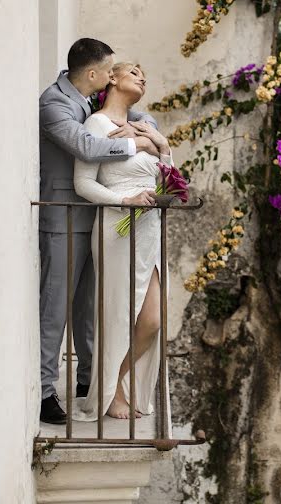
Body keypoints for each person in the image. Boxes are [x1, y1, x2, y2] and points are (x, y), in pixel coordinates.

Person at [39, 39, 160, 425]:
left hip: (105, 222)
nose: (114, 76)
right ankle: (44, 392)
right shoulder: (54, 104)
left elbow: (130, 116)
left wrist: (150, 132)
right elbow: (87, 147)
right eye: (111, 71)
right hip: (66, 217)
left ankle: (94, 382)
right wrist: (139, 141)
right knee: (55, 307)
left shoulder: (93, 103)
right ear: (94, 75)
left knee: (91, 311)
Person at [73, 62, 170, 420]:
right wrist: (124, 201)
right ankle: (110, 394)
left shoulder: (144, 125)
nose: (143, 76)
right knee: (118, 314)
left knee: (152, 319)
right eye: (134, 71)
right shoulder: (95, 125)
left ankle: (116, 382)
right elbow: (83, 184)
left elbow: (168, 176)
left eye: (146, 74)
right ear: (111, 78)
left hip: (149, 228)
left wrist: (156, 140)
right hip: (117, 224)